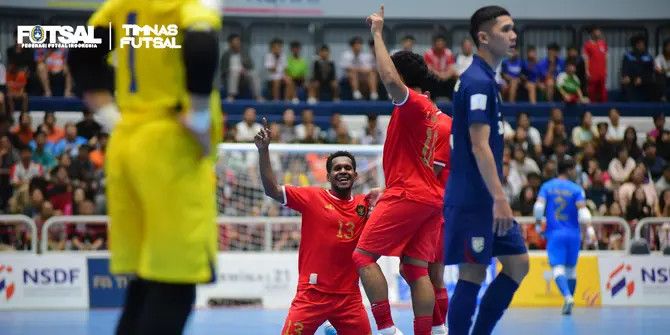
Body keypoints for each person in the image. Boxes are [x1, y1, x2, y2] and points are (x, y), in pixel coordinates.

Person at [67, 1, 223, 334]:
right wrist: (197, 116)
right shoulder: (182, 5)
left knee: (144, 283)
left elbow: (80, 51)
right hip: (170, 146)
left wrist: (111, 118)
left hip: (128, 142)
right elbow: (201, 42)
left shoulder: (122, 4)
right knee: (176, 282)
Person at [354, 6, 444, 335]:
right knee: (415, 269)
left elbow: (390, 79)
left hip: (408, 194)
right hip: (427, 196)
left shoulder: (413, 105)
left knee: (363, 257)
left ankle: (387, 330)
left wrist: (377, 33)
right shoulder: (432, 111)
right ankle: (432, 331)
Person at [443, 6, 529, 335]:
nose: (513, 35)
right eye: (506, 29)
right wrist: (499, 198)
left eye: (513, 29)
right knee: (472, 274)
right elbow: (479, 146)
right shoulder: (477, 83)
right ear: (483, 37)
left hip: (484, 198)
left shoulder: (485, 80)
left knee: (519, 264)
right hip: (476, 200)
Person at [254, 119, 373, 335]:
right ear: (328, 176)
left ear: (355, 175)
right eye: (337, 169)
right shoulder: (312, 197)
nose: (343, 171)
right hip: (312, 295)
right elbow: (272, 189)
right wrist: (264, 151)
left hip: (349, 298)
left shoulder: (365, 205)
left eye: (348, 168)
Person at [534, 159, 592, 315]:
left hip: (555, 233)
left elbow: (539, 207)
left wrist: (538, 224)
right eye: (574, 169)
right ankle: (569, 301)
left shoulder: (547, 186)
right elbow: (583, 212)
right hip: (574, 234)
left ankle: (567, 297)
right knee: (571, 270)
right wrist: (589, 231)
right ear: (569, 170)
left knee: (557, 268)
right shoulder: (576, 189)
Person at [582, 27, 608, 102]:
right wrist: (587, 71)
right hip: (593, 73)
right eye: (596, 32)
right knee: (592, 92)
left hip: (602, 73)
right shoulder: (588, 45)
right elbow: (586, 58)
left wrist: (605, 70)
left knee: (603, 93)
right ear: (592, 33)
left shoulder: (603, 44)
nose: (598, 33)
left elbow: (606, 57)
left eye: (599, 32)